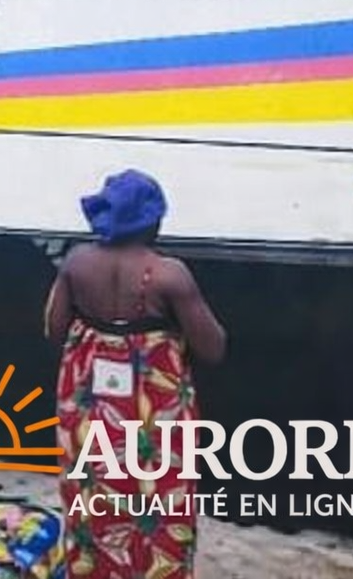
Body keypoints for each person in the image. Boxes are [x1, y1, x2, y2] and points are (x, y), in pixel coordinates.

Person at [43, 169, 227, 579]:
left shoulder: (76, 264)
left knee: (92, 495)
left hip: (89, 410)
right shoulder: (169, 275)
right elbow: (213, 348)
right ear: (154, 221)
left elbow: (53, 330)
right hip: (153, 414)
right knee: (159, 503)